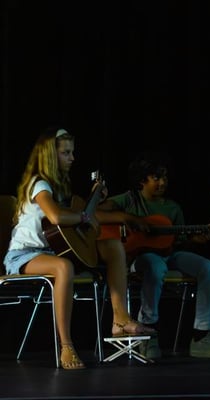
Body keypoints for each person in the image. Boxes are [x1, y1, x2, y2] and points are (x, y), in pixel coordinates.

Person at [3, 127, 156, 370]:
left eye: (72, 152)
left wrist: (95, 203)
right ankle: (66, 345)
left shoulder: (61, 189)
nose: (72, 158)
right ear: (50, 155)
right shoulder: (39, 184)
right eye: (66, 153)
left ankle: (120, 319)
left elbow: (75, 221)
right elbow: (56, 217)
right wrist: (84, 217)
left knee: (113, 246)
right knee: (64, 267)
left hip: (53, 252)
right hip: (24, 255)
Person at [99, 152, 210, 359]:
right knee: (155, 265)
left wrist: (195, 239)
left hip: (169, 255)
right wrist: (129, 218)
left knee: (208, 267)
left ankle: (202, 335)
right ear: (142, 180)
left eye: (165, 177)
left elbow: (179, 242)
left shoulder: (172, 208)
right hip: (136, 258)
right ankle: (147, 331)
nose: (163, 182)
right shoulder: (129, 199)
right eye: (156, 178)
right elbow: (96, 213)